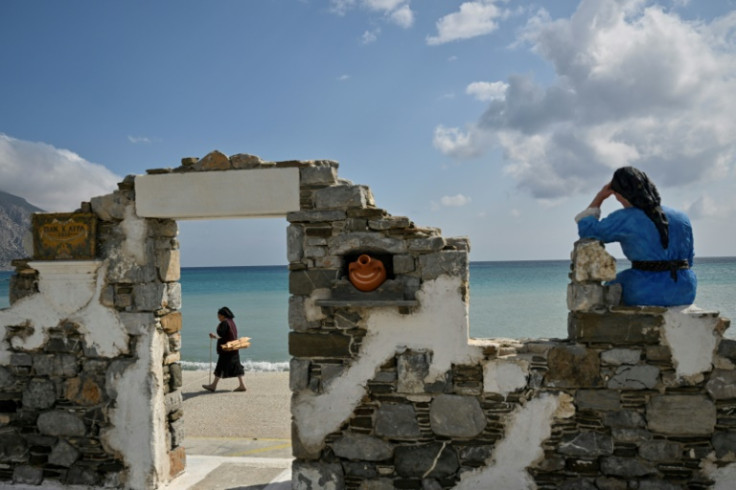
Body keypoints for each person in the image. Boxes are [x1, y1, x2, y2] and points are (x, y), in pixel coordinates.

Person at [575, 166, 696, 306]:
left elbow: (587, 230)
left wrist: (600, 197)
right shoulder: (682, 217)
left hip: (645, 290)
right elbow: (689, 259)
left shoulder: (625, 218)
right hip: (685, 289)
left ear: (619, 193)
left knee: (610, 287)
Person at [202, 306, 247, 392]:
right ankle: (242, 385)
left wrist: (217, 328)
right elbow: (225, 336)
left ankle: (213, 386)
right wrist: (215, 337)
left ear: (223, 315)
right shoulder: (232, 322)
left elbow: (221, 333)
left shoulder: (224, 323)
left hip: (227, 349)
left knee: (220, 366)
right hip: (234, 346)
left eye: (219, 316)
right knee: (236, 366)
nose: (218, 318)